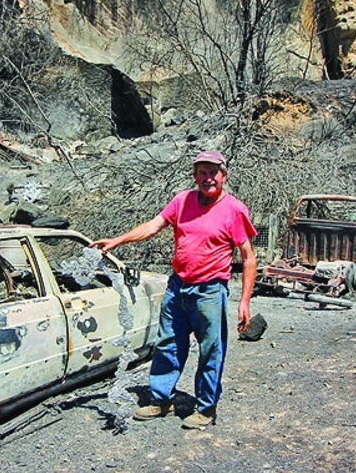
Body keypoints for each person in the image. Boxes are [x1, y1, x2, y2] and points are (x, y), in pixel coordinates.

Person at [90, 150, 257, 429]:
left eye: (213, 172)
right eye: (202, 173)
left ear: (224, 176)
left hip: (210, 291)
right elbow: (153, 226)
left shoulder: (234, 209)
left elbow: (249, 257)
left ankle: (206, 408)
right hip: (178, 286)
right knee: (167, 343)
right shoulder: (182, 200)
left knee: (210, 350)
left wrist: (244, 302)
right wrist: (117, 241)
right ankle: (160, 399)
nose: (208, 178)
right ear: (195, 176)